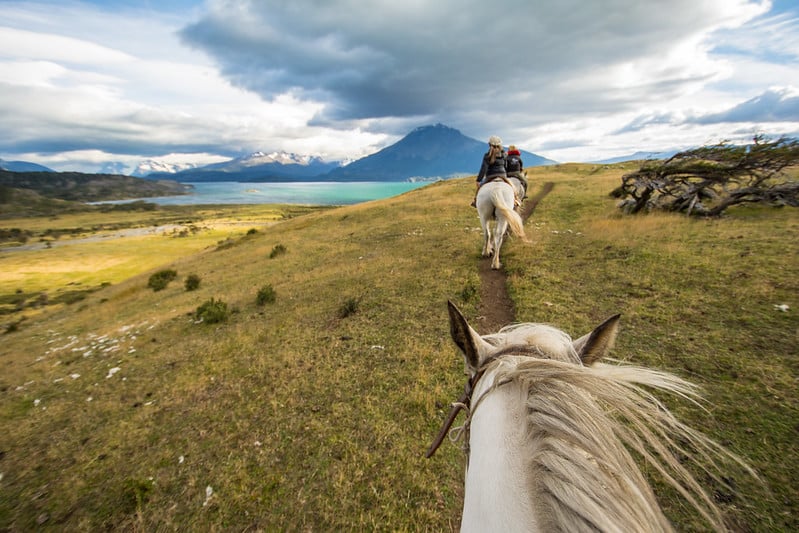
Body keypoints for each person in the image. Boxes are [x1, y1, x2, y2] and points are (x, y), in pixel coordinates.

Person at [471, 136, 507, 207]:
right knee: (513, 188)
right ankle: (515, 199)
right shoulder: (504, 155)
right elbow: (506, 166)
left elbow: (484, 168)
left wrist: (479, 180)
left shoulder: (487, 155)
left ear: (489, 145)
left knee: (480, 189)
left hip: (490, 176)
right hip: (503, 176)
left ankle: (476, 201)